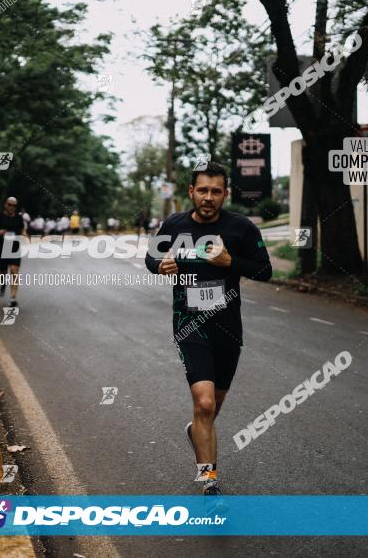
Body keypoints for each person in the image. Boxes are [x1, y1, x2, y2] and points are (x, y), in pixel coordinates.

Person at [145, 164, 272, 496]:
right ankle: (209, 480)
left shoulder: (241, 228)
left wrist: (231, 263)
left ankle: (197, 431)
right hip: (189, 323)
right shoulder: (173, 225)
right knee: (203, 403)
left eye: (216, 191)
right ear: (191, 192)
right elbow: (150, 258)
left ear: (225, 194)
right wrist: (161, 265)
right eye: (203, 190)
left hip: (227, 327)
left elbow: (265, 270)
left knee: (214, 403)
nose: (209, 197)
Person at [0, 197, 27, 307]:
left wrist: (24, 235)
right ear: (5, 205)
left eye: (14, 205)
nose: (12, 207)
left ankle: (13, 298)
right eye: (10, 204)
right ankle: (3, 284)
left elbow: (22, 229)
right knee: (3, 273)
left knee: (14, 271)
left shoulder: (19, 218)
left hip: (15, 248)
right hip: (3, 249)